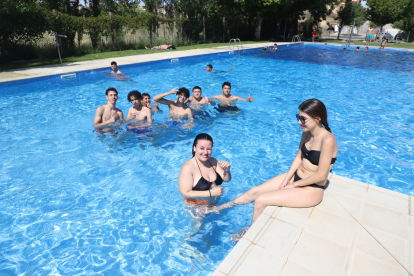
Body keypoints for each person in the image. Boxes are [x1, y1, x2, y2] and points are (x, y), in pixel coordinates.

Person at [200, 99, 338, 237]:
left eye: (303, 119)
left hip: (311, 189)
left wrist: (293, 185)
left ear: (317, 118)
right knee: (255, 191)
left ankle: (250, 233)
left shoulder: (328, 140)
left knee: (261, 200)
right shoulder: (307, 132)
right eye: (298, 117)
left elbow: (321, 176)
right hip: (297, 178)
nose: (299, 122)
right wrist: (287, 178)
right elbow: (299, 157)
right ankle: (219, 208)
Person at [179, 133, 231, 206]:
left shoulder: (213, 162)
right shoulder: (188, 167)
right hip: (197, 208)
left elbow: (227, 179)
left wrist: (227, 170)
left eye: (209, 149)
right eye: (202, 148)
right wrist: (211, 193)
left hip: (215, 204)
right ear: (194, 148)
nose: (205, 152)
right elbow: (185, 193)